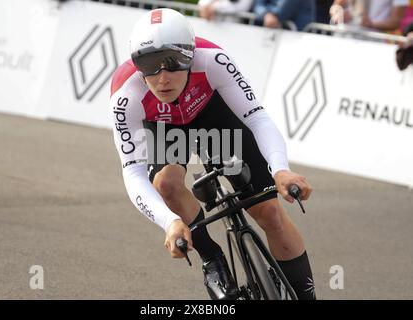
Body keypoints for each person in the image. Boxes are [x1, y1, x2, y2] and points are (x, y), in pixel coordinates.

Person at [110, 8, 315, 300]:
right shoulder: (124, 95)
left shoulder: (213, 60)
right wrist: (170, 222)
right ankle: (212, 259)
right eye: (150, 65)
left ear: (190, 56)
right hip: (165, 127)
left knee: (269, 213)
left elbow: (256, 118)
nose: (162, 77)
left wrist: (280, 169)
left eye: (172, 62)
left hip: (213, 114)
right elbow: (132, 171)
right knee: (166, 184)